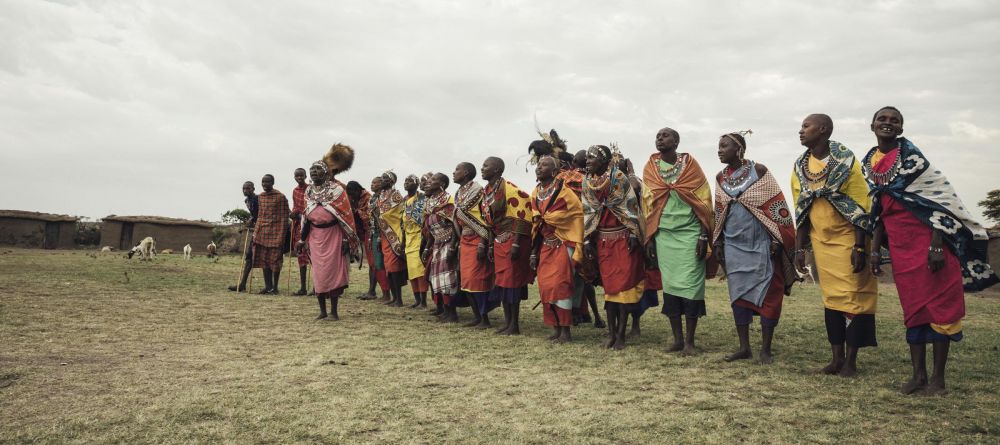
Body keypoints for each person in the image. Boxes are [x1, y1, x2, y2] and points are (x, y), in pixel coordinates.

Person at [864, 106, 998, 394]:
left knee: (940, 309)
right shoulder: (870, 163)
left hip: (931, 249)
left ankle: (938, 380)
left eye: (894, 121)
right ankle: (918, 377)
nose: (887, 123)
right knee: (914, 309)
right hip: (901, 250)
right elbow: (877, 212)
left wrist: (937, 244)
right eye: (882, 119)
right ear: (872, 125)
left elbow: (939, 204)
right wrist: (875, 251)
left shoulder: (913, 159)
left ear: (901, 129)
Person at [791, 114, 879, 377]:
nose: (801, 130)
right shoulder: (800, 167)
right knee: (832, 300)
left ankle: (851, 362)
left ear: (824, 129)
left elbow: (862, 207)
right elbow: (802, 211)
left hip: (850, 241)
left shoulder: (846, 162)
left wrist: (860, 247)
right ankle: (836, 360)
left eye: (806, 126)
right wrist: (799, 249)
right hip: (821, 243)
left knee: (855, 298)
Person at [714, 131, 795, 364]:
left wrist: (775, 240)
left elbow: (777, 207)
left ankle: (766, 350)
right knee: (738, 295)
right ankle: (744, 347)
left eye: (724, 146)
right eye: (718, 146)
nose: (719, 150)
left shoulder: (759, 171)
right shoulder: (720, 177)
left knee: (770, 294)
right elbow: (719, 212)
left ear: (739, 149)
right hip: (733, 244)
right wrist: (718, 241)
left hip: (762, 244)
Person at [642, 127, 715, 356]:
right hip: (664, 234)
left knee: (692, 286)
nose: (659, 139)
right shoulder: (651, 168)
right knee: (671, 286)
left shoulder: (691, 166)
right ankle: (677, 340)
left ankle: (690, 342)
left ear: (676, 141)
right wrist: (651, 237)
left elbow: (704, 202)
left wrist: (704, 234)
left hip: (691, 233)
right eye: (657, 136)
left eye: (665, 135)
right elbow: (648, 207)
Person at [581, 145, 645, 350]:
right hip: (603, 241)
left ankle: (621, 335)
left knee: (623, 288)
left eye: (592, 157)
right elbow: (588, 212)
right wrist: (588, 240)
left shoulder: (618, 177)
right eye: (587, 157)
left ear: (604, 160)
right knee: (610, 289)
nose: (588, 160)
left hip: (624, 238)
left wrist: (634, 233)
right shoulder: (587, 182)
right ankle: (611, 333)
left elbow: (630, 207)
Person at [296, 144, 362, 320]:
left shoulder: (337, 190)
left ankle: (333, 311)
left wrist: (347, 240)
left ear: (326, 172)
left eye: (318, 170)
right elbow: (307, 217)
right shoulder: (309, 191)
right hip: (315, 237)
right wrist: (302, 240)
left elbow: (345, 217)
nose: (314, 173)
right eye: (312, 170)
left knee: (332, 273)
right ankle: (322, 311)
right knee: (318, 273)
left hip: (334, 235)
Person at [529, 155, 584, 343]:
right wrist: (533, 252)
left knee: (561, 286)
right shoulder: (536, 192)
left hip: (564, 242)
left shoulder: (566, 193)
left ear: (554, 172)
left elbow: (576, 215)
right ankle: (555, 328)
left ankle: (566, 331)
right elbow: (536, 223)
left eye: (544, 165)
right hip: (546, 245)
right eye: (538, 165)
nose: (539, 168)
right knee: (546, 286)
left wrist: (551, 220)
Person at [481, 156, 534, 335]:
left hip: (513, 240)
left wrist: (517, 244)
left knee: (512, 283)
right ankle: (507, 322)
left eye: (486, 166)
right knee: (502, 283)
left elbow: (523, 215)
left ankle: (514, 324)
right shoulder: (487, 191)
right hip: (498, 240)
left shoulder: (509, 189)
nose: (482, 168)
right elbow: (488, 222)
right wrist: (489, 245)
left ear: (496, 170)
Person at [618, 157, 659, 338]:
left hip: (637, 239)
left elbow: (636, 194)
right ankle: (618, 325)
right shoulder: (611, 185)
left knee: (636, 284)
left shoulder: (635, 183)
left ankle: (635, 324)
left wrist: (631, 172)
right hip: (615, 241)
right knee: (617, 286)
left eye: (618, 163)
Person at [453, 161, 495, 328]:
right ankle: (477, 316)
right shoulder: (458, 192)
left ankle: (485, 319)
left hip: (478, 238)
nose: (454, 172)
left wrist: (483, 242)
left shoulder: (477, 190)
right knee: (465, 280)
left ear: (467, 173)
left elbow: (485, 217)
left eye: (457, 169)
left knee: (476, 279)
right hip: (465, 239)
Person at [421, 173, 460, 322]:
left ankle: (452, 313)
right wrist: (427, 247)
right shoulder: (430, 201)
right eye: (429, 181)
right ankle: (444, 310)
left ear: (442, 183)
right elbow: (428, 228)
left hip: (449, 242)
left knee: (447, 278)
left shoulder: (447, 200)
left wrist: (452, 246)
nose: (428, 183)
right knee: (436, 278)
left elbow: (455, 224)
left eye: (433, 180)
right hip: (437, 243)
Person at [252, 174, 290, 295]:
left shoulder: (280, 197)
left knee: (275, 260)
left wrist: (282, 235)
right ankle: (267, 286)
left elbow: (285, 217)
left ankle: (275, 287)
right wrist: (255, 233)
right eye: (263, 182)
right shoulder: (261, 197)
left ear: (272, 182)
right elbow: (260, 216)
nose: (264, 184)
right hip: (262, 233)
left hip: (276, 232)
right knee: (264, 260)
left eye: (267, 182)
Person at [376, 171, 408, 307]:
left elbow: (391, 215)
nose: (381, 180)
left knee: (395, 267)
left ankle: (399, 299)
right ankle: (394, 298)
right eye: (381, 178)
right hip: (384, 235)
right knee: (388, 267)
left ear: (391, 181)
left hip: (395, 234)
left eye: (384, 179)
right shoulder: (381, 196)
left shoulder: (396, 195)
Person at [347, 181, 381, 300]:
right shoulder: (354, 199)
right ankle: (371, 290)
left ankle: (372, 291)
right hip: (365, 233)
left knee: (373, 263)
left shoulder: (368, 198)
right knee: (371, 263)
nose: (351, 197)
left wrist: (357, 211)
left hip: (373, 232)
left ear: (357, 191)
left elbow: (370, 216)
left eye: (352, 194)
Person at [402, 174, 430, 308]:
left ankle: (423, 301)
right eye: (405, 181)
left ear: (417, 184)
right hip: (408, 239)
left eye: (410, 181)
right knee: (412, 271)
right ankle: (417, 300)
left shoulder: (422, 199)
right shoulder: (406, 201)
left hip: (419, 237)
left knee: (419, 271)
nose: (406, 183)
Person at [229, 181, 259, 292]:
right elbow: (253, 215)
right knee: (249, 257)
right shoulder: (247, 201)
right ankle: (242, 284)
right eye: (244, 189)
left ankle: (271, 287)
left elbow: (260, 214)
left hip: (262, 229)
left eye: (248, 188)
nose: (245, 191)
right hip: (256, 229)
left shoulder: (258, 199)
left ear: (253, 188)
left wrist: (253, 220)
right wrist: (251, 220)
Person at [290, 168, 312, 296]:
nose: (299, 177)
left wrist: (302, 216)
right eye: (296, 175)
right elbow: (296, 206)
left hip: (311, 226)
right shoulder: (295, 191)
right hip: (299, 227)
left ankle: (317, 287)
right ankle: (303, 288)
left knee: (314, 257)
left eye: (301, 175)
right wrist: (293, 213)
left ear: (305, 176)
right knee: (301, 256)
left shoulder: (310, 189)